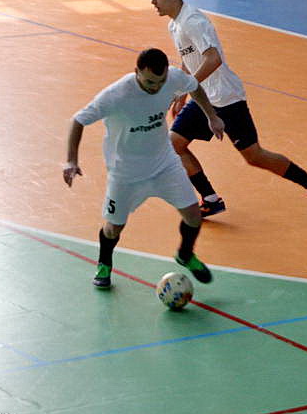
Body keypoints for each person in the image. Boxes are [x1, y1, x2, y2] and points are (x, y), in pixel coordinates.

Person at [150, 0, 307, 221]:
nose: (153, 2)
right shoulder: (174, 25)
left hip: (226, 99)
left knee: (254, 156)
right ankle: (210, 199)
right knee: (174, 144)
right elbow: (189, 57)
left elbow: (213, 59)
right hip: (204, 98)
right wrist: (183, 94)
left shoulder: (193, 21)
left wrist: (187, 87)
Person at [63, 48, 224, 289]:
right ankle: (104, 263)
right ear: (136, 71)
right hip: (125, 173)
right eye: (149, 82)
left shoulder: (173, 77)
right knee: (113, 228)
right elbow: (78, 120)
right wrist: (71, 161)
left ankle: (185, 254)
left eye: (160, 82)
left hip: (164, 163)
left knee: (193, 215)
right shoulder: (117, 95)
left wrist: (211, 116)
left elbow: (194, 86)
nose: (155, 88)